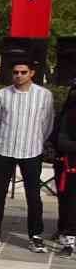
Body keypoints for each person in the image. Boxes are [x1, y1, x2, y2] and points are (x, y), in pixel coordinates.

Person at [0, 61, 55, 252]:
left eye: (23, 72)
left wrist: (35, 140)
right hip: (4, 150)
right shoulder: (2, 94)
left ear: (32, 73)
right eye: (15, 72)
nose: (19, 75)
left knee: (33, 196)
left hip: (31, 151)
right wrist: (6, 138)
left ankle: (36, 235)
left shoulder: (44, 95)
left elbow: (47, 124)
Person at [55, 83, 76, 258]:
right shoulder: (70, 114)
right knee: (70, 203)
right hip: (71, 166)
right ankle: (68, 239)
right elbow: (61, 141)